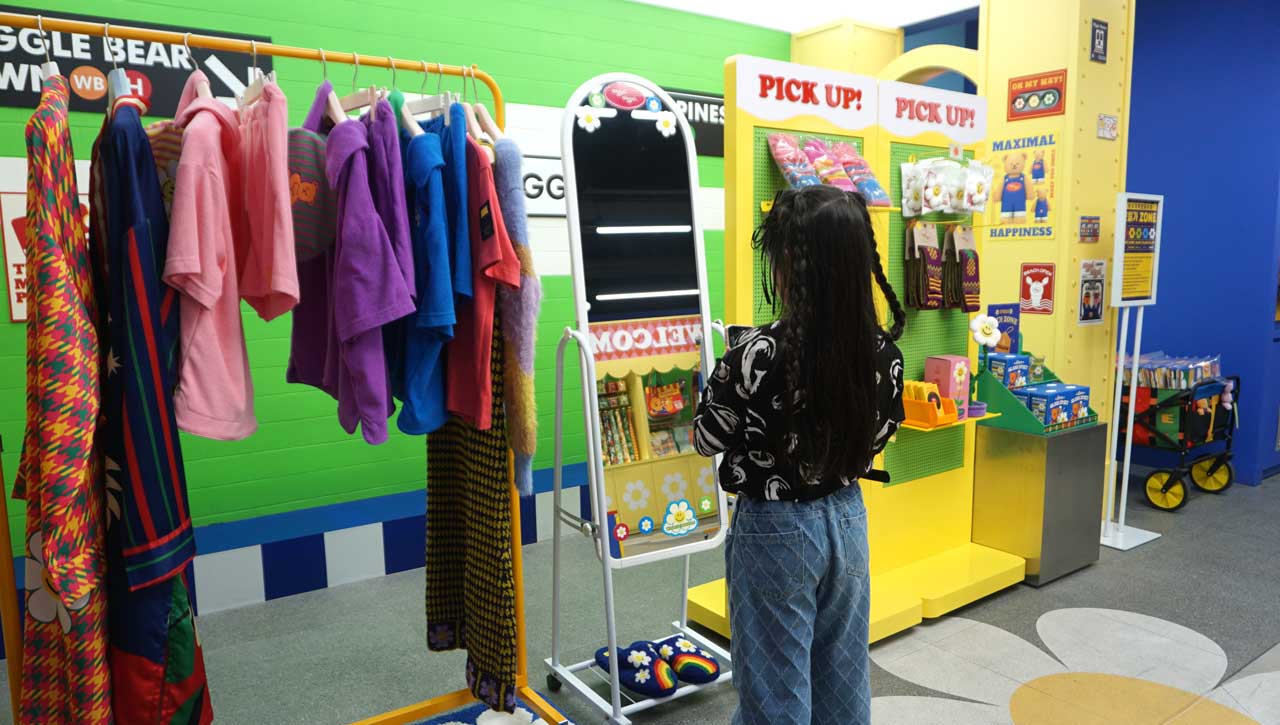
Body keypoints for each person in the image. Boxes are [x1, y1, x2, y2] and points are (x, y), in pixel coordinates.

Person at [694, 186, 905, 724]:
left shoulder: (754, 353)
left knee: (774, 694)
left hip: (774, 530)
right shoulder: (883, 354)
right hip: (849, 520)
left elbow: (706, 438)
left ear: (791, 264)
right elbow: (880, 435)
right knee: (843, 684)